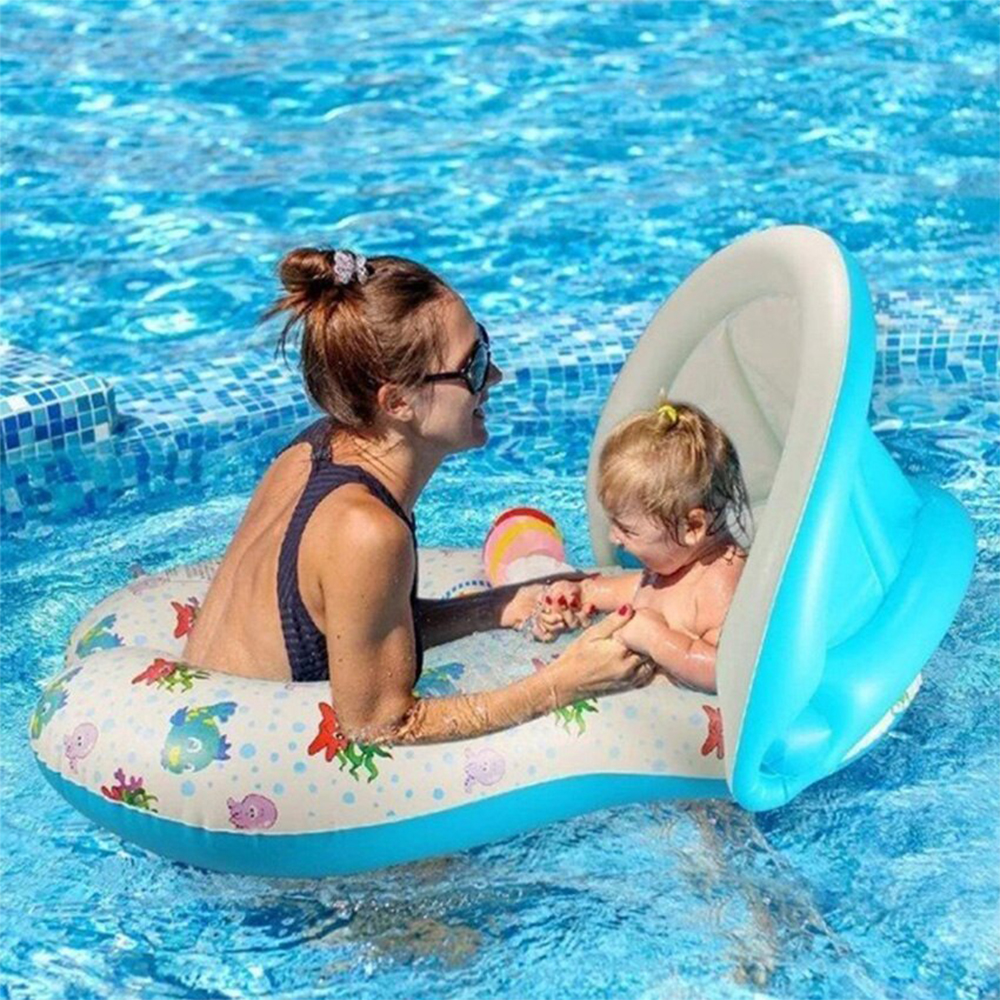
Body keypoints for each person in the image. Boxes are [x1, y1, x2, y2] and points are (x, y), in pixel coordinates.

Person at [182, 247, 654, 743]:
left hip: (203, 705)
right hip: (234, 762)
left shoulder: (317, 446)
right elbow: (381, 725)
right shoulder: (365, 531)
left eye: (485, 349)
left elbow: (353, 630)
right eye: (472, 367)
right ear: (398, 401)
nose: (494, 377)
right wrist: (564, 682)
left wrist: (500, 607)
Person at [531, 401, 751, 694]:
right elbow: (620, 591)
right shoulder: (668, 567)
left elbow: (728, 671)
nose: (614, 538)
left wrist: (654, 638)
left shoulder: (719, 583)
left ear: (692, 527)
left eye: (627, 529)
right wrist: (576, 595)